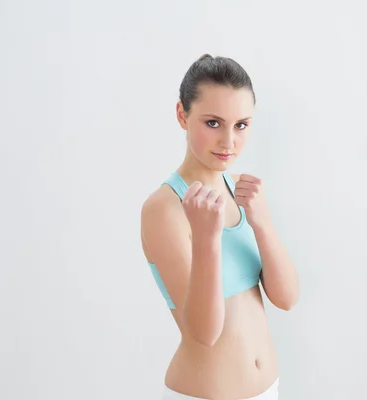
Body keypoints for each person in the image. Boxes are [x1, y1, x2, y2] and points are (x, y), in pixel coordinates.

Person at [140, 54, 300, 400]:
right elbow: (204, 331)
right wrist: (206, 237)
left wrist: (261, 221)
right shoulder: (164, 209)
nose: (229, 142)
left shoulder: (242, 191)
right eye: (213, 123)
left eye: (241, 125)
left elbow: (287, 298)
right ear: (182, 115)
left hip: (269, 390)